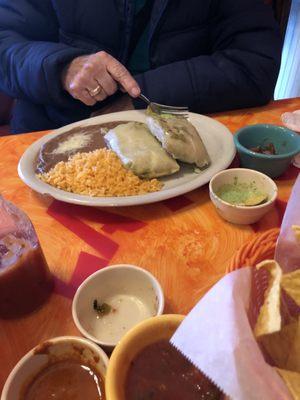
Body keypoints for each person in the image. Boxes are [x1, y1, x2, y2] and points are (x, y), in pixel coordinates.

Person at [0, 0, 282, 134]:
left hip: (179, 138)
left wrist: (140, 98)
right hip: (53, 130)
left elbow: (253, 64)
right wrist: (63, 68)